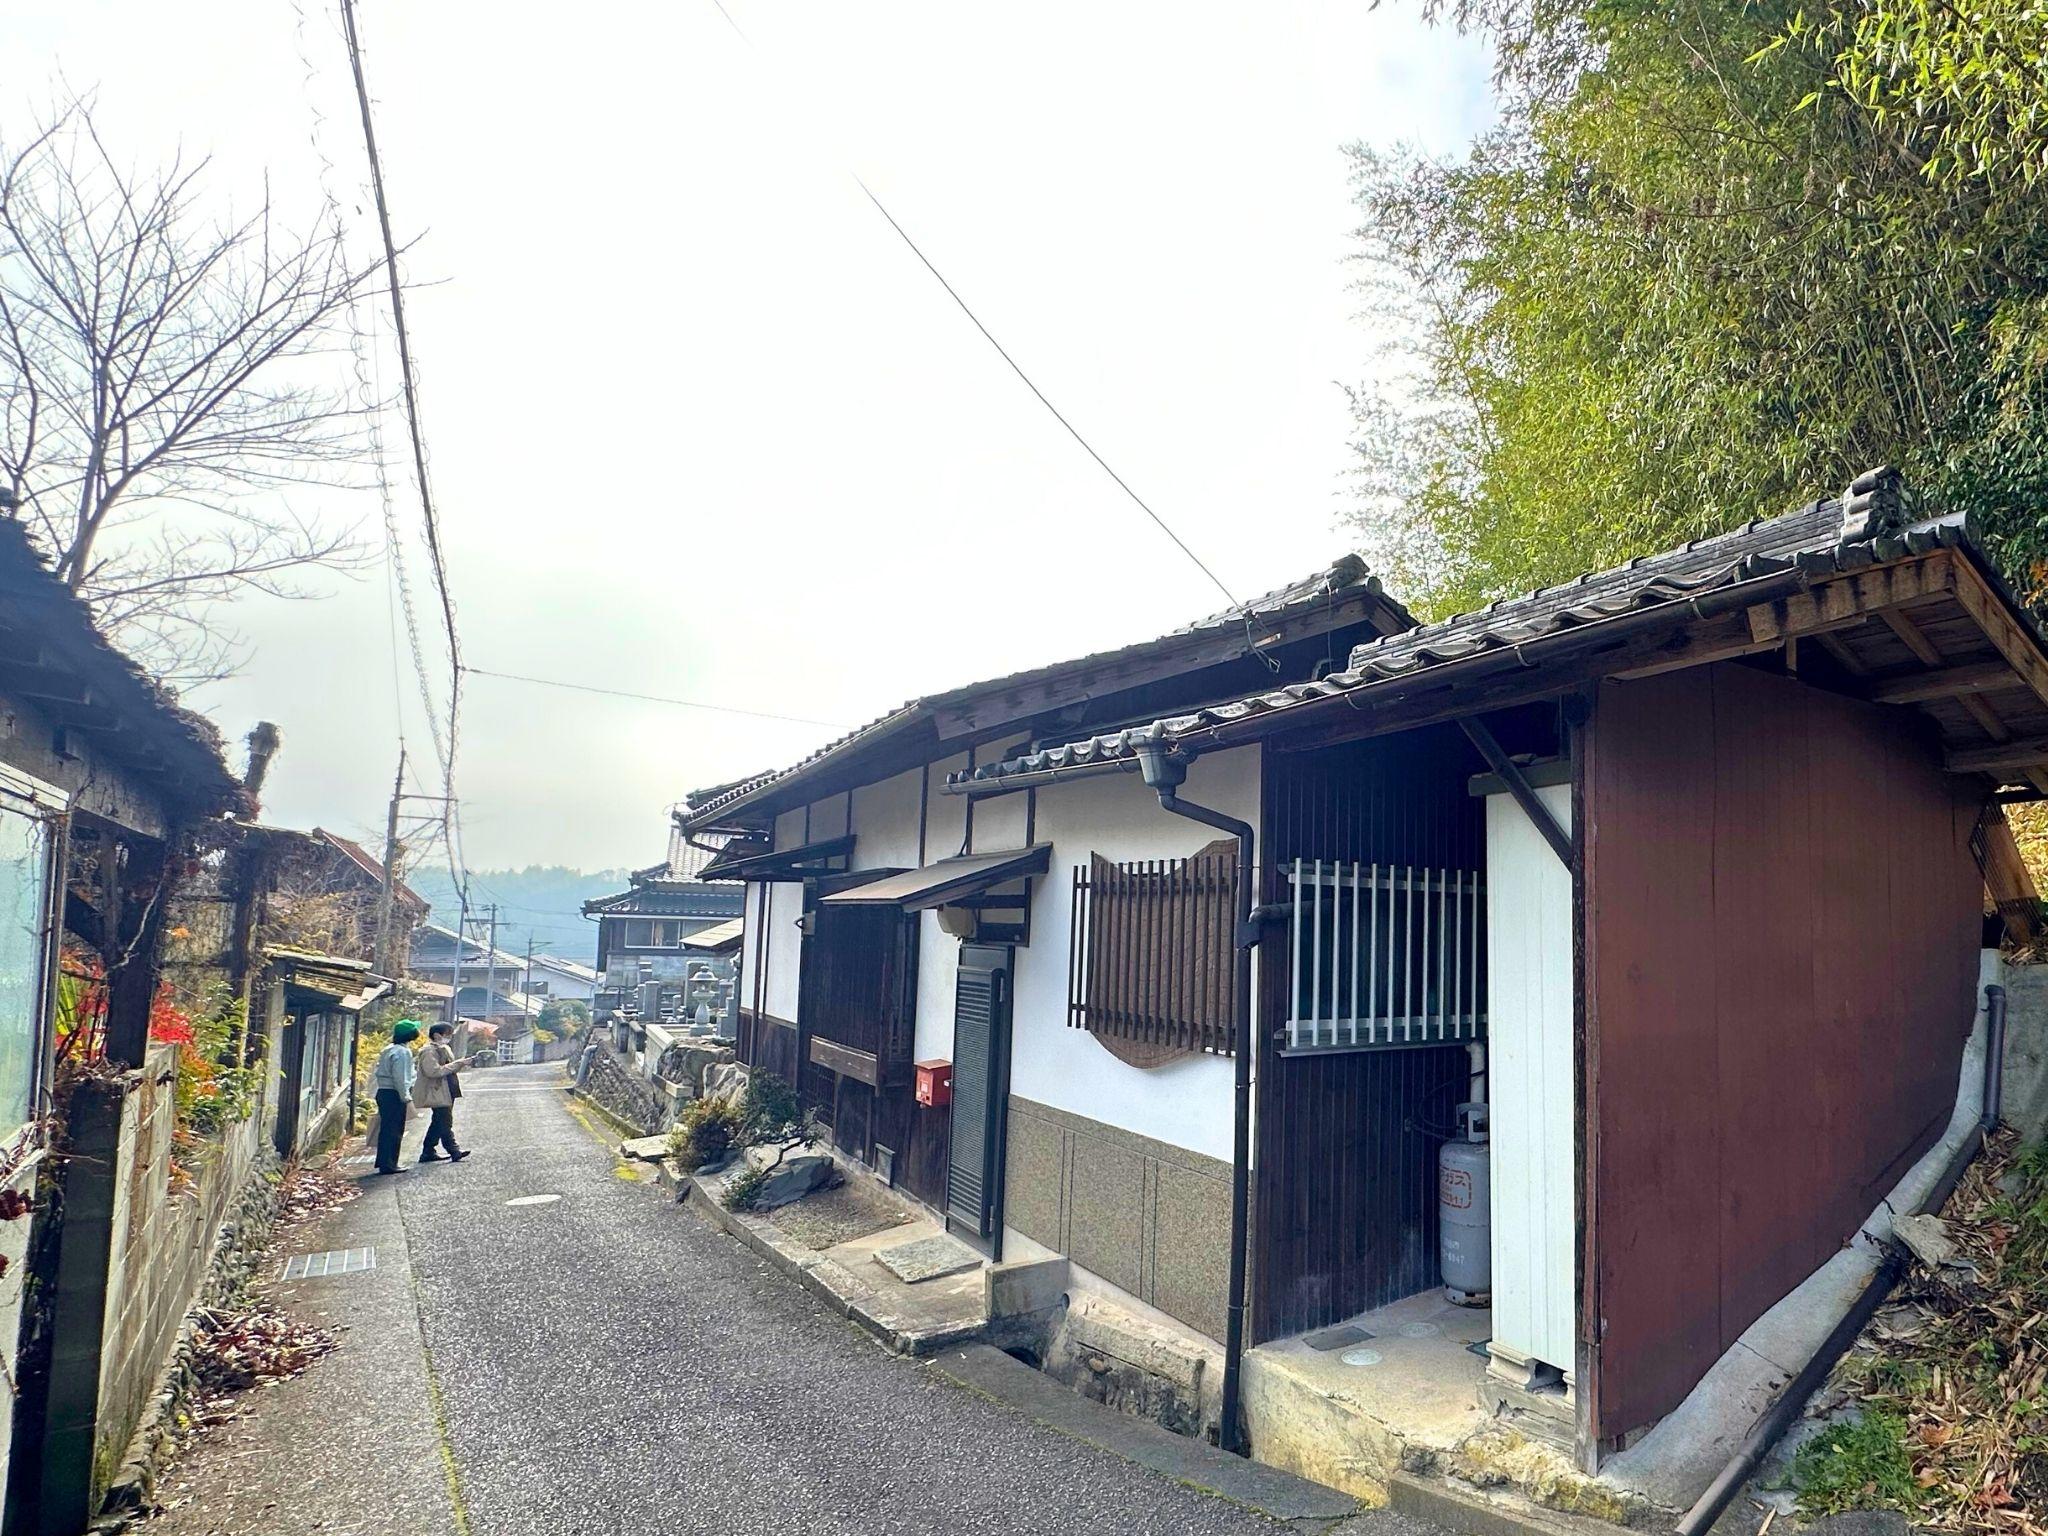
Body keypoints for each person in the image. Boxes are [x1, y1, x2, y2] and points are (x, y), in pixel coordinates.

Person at [412, 1021, 471, 1163]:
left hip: (447, 1089)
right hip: (437, 1091)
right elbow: (434, 1071)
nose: (449, 1037)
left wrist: (461, 1063)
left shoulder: (444, 1048)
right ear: (437, 1035)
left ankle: (428, 1151)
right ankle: (453, 1150)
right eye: (447, 1035)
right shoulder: (429, 1051)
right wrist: (458, 1063)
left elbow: (449, 1068)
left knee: (438, 1122)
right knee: (445, 1121)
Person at [370, 1020, 420, 1174]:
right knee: (394, 1130)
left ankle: (384, 1161)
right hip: (394, 1093)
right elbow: (401, 1077)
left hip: (383, 1091)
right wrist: (405, 1097)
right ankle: (390, 1164)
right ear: (410, 1035)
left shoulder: (388, 1049)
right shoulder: (403, 1052)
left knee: (386, 1129)